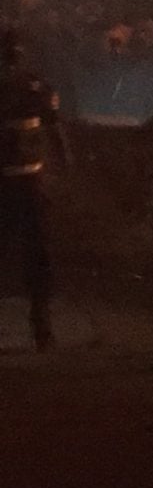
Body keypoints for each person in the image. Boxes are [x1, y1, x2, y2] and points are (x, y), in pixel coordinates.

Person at [0, 28, 69, 350]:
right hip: (25, 181)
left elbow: (53, 127)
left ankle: (42, 325)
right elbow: (54, 128)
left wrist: (65, 160)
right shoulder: (36, 85)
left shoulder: (35, 85)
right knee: (36, 254)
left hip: (26, 181)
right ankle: (41, 326)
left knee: (37, 254)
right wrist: (65, 160)